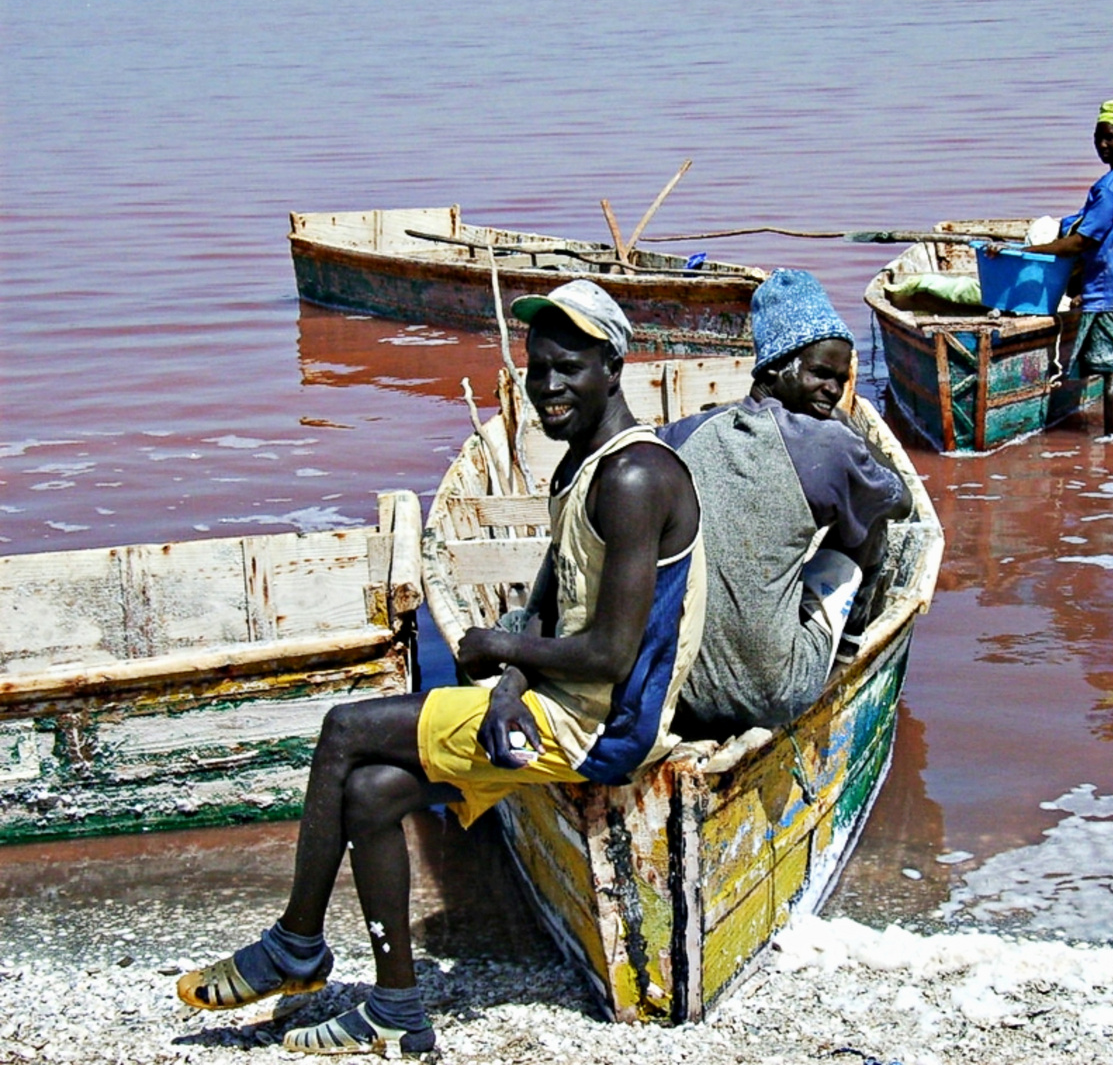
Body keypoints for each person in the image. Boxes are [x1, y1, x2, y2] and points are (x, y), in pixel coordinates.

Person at [174, 280, 704, 1056]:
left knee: (345, 729)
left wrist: (497, 654)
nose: (548, 386)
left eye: (569, 368)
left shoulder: (634, 477)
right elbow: (549, 610)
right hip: (556, 701)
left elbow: (611, 654)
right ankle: (398, 1011)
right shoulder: (580, 468)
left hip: (603, 728)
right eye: (537, 368)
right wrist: (511, 683)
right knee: (371, 790)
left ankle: (296, 944)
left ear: (614, 366)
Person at [659, 268, 913, 738]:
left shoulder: (686, 434)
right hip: (778, 691)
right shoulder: (828, 444)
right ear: (776, 367)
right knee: (869, 509)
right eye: (821, 373)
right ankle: (847, 643)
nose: (834, 390)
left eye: (840, 379)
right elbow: (900, 503)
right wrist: (846, 430)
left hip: (681, 690)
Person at [1019, 97, 1113, 440]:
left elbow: (1081, 242)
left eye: (1110, 137)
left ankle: (1112, 438)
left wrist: (1029, 252)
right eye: (1097, 136)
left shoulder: (1110, 187)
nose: (1102, 145)